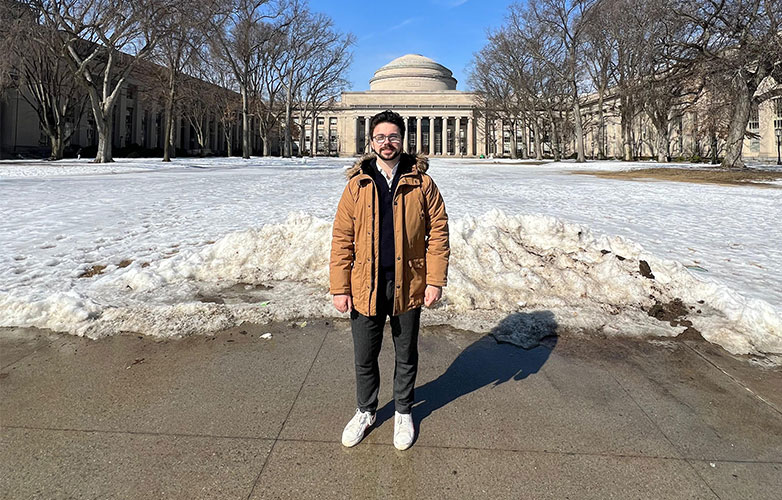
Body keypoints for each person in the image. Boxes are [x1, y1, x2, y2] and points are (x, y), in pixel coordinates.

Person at [330, 110, 450, 451]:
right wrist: (340, 287)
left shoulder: (422, 184)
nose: (387, 143)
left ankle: (402, 411)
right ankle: (366, 410)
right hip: (364, 284)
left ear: (403, 140)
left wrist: (434, 280)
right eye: (381, 137)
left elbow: (438, 235)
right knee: (364, 355)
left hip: (408, 281)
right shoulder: (357, 186)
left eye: (393, 137)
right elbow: (342, 238)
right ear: (371, 142)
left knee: (406, 353)